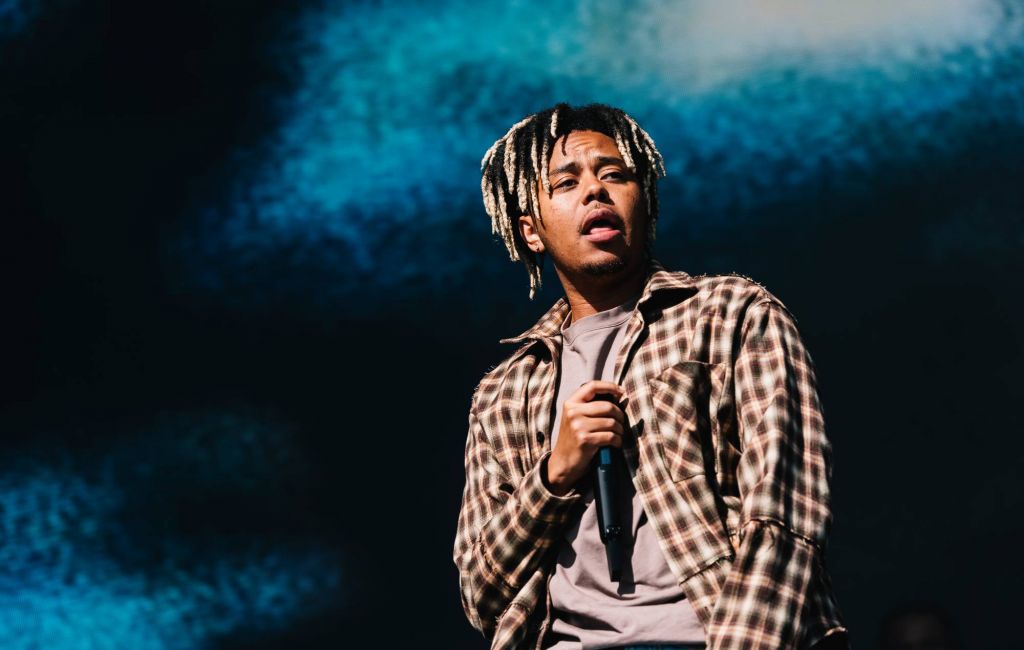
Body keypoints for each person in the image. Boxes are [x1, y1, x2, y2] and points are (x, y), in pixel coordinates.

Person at [453, 102, 849, 650]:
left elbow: (784, 518)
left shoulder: (733, 315)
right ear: (531, 231)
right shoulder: (503, 392)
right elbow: (481, 592)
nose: (596, 191)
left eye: (615, 175)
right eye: (566, 183)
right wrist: (552, 476)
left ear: (646, 202)